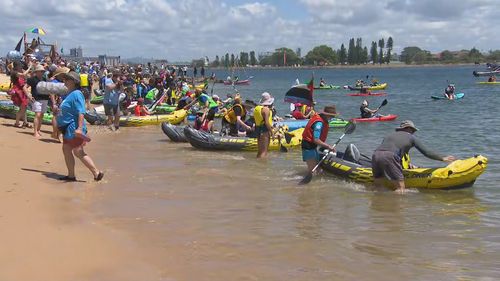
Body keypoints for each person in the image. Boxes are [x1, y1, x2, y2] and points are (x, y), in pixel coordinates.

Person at [371, 120, 456, 193]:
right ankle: (395, 208)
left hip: (376, 154)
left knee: (378, 185)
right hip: (390, 156)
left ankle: (379, 203)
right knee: (400, 189)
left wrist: (408, 165)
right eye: (413, 130)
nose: (413, 132)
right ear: (408, 129)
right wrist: (442, 158)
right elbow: (427, 152)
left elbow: (391, 153)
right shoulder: (411, 137)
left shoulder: (388, 136)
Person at [57, 71, 104, 182]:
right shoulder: (70, 93)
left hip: (73, 128)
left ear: (74, 82)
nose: (65, 81)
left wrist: (79, 128)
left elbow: (81, 112)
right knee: (67, 149)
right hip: (67, 128)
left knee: (78, 151)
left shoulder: (77, 94)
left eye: (67, 79)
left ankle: (96, 173)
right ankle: (71, 175)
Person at [301, 106, 338, 174]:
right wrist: (328, 146)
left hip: (313, 146)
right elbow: (316, 140)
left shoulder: (321, 119)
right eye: (332, 116)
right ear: (327, 115)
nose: (333, 118)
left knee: (318, 170)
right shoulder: (319, 123)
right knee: (313, 171)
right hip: (308, 147)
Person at [25, 64, 47, 138]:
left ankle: (38, 130)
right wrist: (28, 95)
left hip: (44, 98)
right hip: (36, 99)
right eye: (41, 71)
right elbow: (25, 87)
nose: (42, 73)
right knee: (37, 115)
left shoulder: (44, 79)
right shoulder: (32, 79)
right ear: (37, 72)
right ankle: (35, 132)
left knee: (42, 115)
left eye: (43, 71)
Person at [254, 92, 275, 158]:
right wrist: (272, 133)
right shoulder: (266, 110)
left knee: (260, 151)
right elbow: (266, 122)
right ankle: (262, 166)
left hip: (257, 129)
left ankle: (257, 165)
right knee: (264, 151)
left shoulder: (257, 108)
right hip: (264, 130)